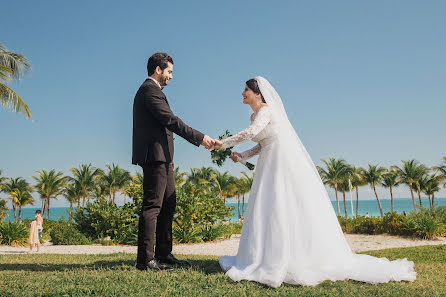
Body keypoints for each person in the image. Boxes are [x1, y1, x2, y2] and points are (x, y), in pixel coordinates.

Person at [215, 76, 416, 287]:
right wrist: (242, 156)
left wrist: (222, 143)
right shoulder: (253, 115)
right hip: (269, 161)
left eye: (246, 89)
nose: (242, 93)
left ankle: (292, 259)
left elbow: (252, 133)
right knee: (268, 207)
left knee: (283, 203)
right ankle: (264, 256)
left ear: (258, 94)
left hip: (281, 162)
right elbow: (263, 143)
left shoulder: (266, 111)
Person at [132, 52, 218, 272]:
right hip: (155, 157)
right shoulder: (149, 90)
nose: (171, 76)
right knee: (153, 206)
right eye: (169, 71)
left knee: (169, 204)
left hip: (164, 158)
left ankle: (163, 253)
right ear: (158, 70)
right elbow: (171, 121)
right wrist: (200, 138)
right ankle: (146, 261)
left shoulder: (155, 91)